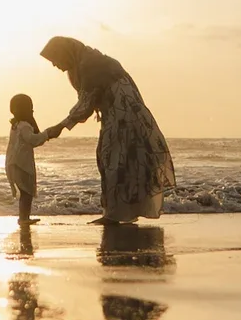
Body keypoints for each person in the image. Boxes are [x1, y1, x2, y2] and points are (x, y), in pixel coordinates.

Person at [41, 36, 176, 224]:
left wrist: (61, 126)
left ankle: (114, 215)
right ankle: (122, 212)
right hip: (116, 115)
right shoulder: (85, 63)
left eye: (55, 59)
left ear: (64, 52)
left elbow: (85, 104)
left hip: (124, 116)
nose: (55, 65)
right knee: (117, 161)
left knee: (114, 161)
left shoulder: (90, 65)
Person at [4, 92, 62, 224]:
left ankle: (23, 217)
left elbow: (33, 136)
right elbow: (33, 140)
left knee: (25, 192)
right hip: (21, 164)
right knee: (26, 193)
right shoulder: (24, 126)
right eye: (30, 108)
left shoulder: (16, 125)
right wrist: (47, 134)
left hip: (14, 163)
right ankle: (24, 218)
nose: (32, 110)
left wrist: (34, 122)